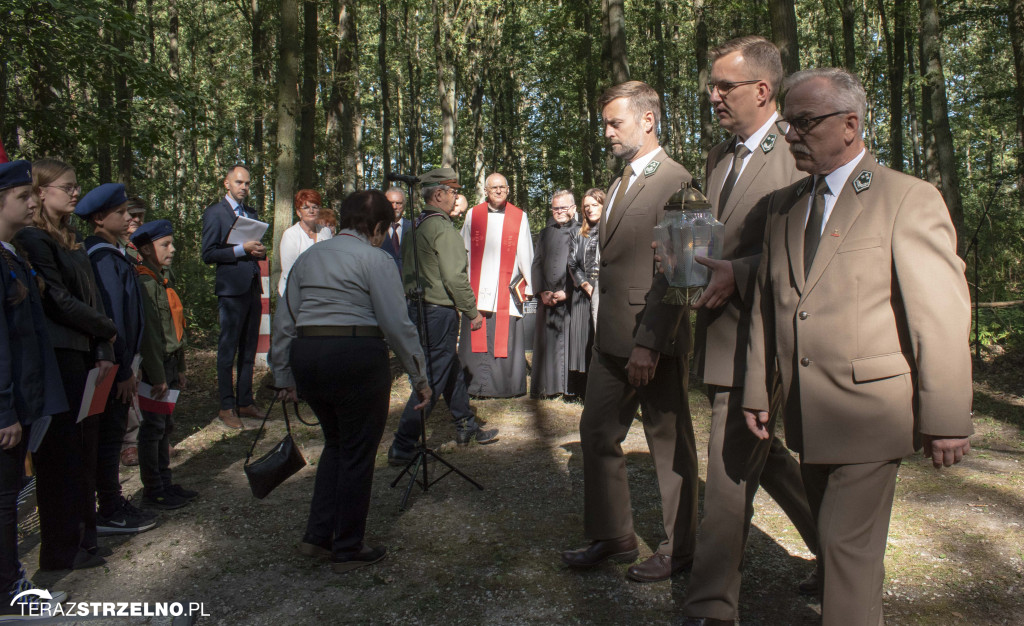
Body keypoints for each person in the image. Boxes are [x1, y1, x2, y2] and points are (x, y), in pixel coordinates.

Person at [738, 68, 972, 626]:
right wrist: (756, 390)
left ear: (849, 124)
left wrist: (946, 417)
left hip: (870, 411)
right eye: (788, 123)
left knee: (845, 551)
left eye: (804, 123)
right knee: (843, 550)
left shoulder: (905, 198)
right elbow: (768, 308)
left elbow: (937, 314)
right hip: (805, 412)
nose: (791, 134)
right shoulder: (782, 208)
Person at [680, 37, 820, 625]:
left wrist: (741, 271)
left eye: (724, 87)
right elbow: (714, 237)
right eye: (711, 86)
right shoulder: (719, 156)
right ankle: (838, 551)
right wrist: (685, 261)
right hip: (716, 333)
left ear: (763, 91)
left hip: (768, 341)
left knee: (730, 467)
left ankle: (712, 604)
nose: (713, 96)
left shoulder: (800, 153)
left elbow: (818, 256)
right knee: (768, 459)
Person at [561, 81, 697, 584]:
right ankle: (613, 534)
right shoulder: (619, 183)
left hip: (653, 342)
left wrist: (651, 341)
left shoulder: (679, 182)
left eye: (615, 122)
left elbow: (684, 274)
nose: (608, 133)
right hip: (610, 338)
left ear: (647, 120)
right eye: (605, 124)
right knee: (596, 433)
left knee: (669, 446)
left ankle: (679, 549)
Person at [270, 190, 432, 573]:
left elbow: (285, 319)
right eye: (384, 229)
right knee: (358, 451)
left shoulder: (308, 259)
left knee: (337, 445)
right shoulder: (375, 259)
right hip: (356, 357)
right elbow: (397, 324)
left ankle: (318, 535)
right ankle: (347, 546)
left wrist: (283, 374)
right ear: (377, 228)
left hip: (309, 359)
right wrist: (420, 376)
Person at [14, 159, 116, 571]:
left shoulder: (69, 238)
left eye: (76, 186)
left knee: (83, 453)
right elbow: (56, 299)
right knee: (62, 456)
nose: (75, 193)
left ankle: (84, 539)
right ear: (40, 192)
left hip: (85, 352)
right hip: (60, 357)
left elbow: (91, 294)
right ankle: (61, 549)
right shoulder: (34, 239)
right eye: (67, 187)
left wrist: (105, 341)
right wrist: (106, 326)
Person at [387, 168, 497, 465]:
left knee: (449, 369)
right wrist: (472, 311)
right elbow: (455, 277)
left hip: (418, 310)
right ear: (439, 194)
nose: (456, 197)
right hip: (438, 312)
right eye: (452, 192)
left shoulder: (416, 226)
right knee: (433, 378)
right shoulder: (442, 229)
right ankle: (403, 442)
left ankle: (466, 426)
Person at [0, 160, 70, 617]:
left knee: (10, 493)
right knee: (6, 500)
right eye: (23, 196)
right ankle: (10, 592)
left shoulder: (11, 254)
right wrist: (4, 409)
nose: (33, 202)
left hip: (24, 397)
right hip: (8, 405)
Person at [74, 183, 156, 536]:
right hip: (111, 366)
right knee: (108, 437)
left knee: (112, 432)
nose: (129, 218)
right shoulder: (102, 257)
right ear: (98, 218)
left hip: (123, 363)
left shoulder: (114, 253)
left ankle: (111, 501)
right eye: (121, 213)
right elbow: (113, 320)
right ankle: (108, 507)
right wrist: (123, 367)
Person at [131, 219, 196, 510]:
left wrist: (180, 367)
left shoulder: (162, 280)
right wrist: (157, 376)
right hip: (155, 369)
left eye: (171, 243)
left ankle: (166, 482)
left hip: (169, 365)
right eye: (164, 245)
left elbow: (176, 327)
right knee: (153, 428)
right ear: (145, 249)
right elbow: (150, 336)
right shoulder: (145, 283)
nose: (172, 249)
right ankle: (154, 489)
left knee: (165, 426)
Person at [201, 165, 266, 430]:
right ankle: (227, 406)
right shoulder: (215, 213)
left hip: (252, 286)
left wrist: (258, 251)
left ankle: (245, 401)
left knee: (249, 348)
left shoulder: (251, 214)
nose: (244, 187)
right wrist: (241, 249)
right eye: (239, 182)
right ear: (226, 183)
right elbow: (208, 254)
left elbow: (256, 249)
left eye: (248, 183)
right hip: (230, 290)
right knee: (228, 349)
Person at [459, 173, 534, 398]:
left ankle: (504, 387)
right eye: (494, 188)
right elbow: (463, 251)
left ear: (508, 190)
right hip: (477, 288)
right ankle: (474, 386)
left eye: (503, 187)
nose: (499, 191)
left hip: (506, 289)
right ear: (486, 191)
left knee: (505, 338)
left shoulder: (519, 216)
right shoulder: (473, 214)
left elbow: (526, 252)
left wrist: (529, 285)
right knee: (476, 334)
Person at [530, 190, 579, 398]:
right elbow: (537, 263)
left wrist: (567, 292)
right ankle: (547, 388)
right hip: (547, 299)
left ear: (574, 209)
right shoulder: (545, 232)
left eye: (563, 207)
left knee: (569, 343)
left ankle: (569, 388)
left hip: (571, 300)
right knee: (547, 343)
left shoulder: (582, 231)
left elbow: (584, 267)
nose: (559, 211)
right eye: (555, 208)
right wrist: (541, 291)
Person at [566, 188, 604, 392]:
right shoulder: (577, 232)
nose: (590, 209)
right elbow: (572, 263)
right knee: (584, 342)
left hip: (607, 292)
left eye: (594, 205)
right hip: (583, 292)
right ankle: (583, 389)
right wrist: (586, 284)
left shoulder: (611, 230)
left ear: (603, 206)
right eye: (586, 206)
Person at [121, 196, 148, 467]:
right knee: (129, 386)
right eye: (131, 214)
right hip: (125, 330)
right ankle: (129, 444)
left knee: (147, 382)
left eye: (140, 215)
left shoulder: (144, 249)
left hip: (146, 326)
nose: (136, 220)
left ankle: (149, 438)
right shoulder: (118, 250)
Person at [277, 189, 332, 296]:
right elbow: (290, 272)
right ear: (298, 212)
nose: (311, 211)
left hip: (322, 291)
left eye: (315, 207)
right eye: (306, 207)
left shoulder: (326, 232)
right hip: (293, 292)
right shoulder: (290, 234)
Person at [380, 187, 411, 273]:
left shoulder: (413, 228)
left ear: (404, 205)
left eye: (398, 203)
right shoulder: (377, 229)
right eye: (391, 203)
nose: (394, 207)